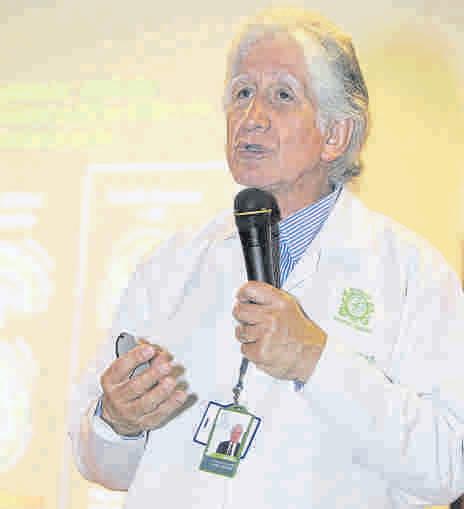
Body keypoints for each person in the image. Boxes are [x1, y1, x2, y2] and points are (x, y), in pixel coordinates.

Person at [69, 7, 464, 508]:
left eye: (282, 95)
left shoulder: (412, 275)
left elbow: (449, 467)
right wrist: (118, 422)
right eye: (241, 93)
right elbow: (102, 464)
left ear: (336, 135)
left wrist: (315, 361)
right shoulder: (170, 266)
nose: (251, 117)